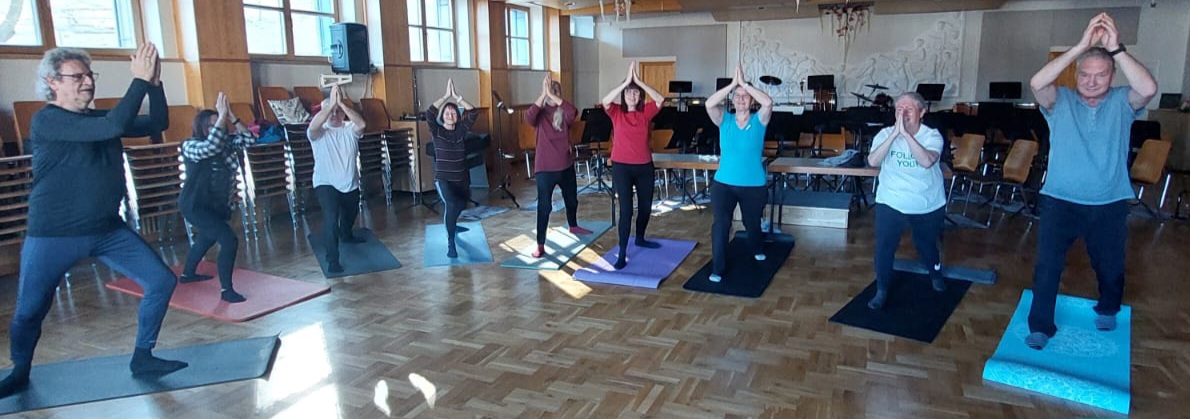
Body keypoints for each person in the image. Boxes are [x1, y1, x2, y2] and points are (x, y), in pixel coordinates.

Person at [0, 45, 187, 399]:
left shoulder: (99, 119)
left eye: (89, 75)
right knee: (29, 310)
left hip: (106, 230)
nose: (88, 82)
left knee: (161, 281)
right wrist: (139, 80)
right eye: (78, 76)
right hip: (53, 235)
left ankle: (143, 357)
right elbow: (113, 126)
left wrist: (154, 84)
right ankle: (19, 371)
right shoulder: (47, 120)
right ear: (53, 82)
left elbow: (157, 123)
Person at [1024, 13, 1156, 350]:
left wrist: (1116, 49)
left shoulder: (1123, 101)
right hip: (1059, 201)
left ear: (1112, 75)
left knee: (1109, 267)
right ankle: (1040, 326)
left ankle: (1108, 307)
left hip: (1108, 203)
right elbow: (1037, 83)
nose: (1092, 81)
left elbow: (1148, 89)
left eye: (1101, 75)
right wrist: (1081, 45)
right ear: (1077, 74)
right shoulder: (1060, 101)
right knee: (1047, 266)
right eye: (1085, 74)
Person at [865, 92, 948, 310]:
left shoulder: (932, 136)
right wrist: (895, 134)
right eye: (899, 109)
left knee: (926, 245)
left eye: (909, 109)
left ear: (922, 112)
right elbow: (873, 161)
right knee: (884, 247)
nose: (903, 113)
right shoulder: (884, 134)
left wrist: (907, 136)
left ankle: (935, 274)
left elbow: (927, 161)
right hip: (890, 201)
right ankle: (882, 289)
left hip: (927, 202)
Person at [178, 92, 257, 303]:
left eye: (218, 124)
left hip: (216, 206)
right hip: (195, 205)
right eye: (212, 126)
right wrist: (221, 117)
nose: (218, 128)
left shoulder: (226, 143)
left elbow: (250, 140)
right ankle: (226, 290)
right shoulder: (191, 145)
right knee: (228, 240)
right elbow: (210, 147)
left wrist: (232, 117)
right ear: (202, 128)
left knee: (206, 238)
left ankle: (187, 275)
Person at [704, 63, 773, 283]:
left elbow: (768, 102)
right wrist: (733, 84)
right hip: (723, 184)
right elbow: (709, 103)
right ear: (732, 100)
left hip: (753, 185)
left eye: (745, 96)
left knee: (751, 224)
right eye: (738, 96)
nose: (741, 99)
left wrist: (744, 84)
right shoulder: (724, 120)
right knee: (721, 224)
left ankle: (757, 246)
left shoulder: (759, 120)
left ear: (752, 100)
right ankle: (718, 267)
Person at [600, 61, 665, 269]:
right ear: (623, 95)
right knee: (626, 210)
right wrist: (626, 82)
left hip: (644, 166)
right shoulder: (616, 112)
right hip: (622, 167)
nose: (632, 95)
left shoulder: (646, 112)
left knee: (645, 207)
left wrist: (639, 82)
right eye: (628, 92)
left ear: (640, 96)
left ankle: (640, 238)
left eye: (635, 92)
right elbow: (605, 100)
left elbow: (660, 99)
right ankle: (622, 252)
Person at [525, 75, 594, 258]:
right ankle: (540, 244)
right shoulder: (540, 113)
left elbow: (573, 111)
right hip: (545, 168)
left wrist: (552, 95)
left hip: (565, 164)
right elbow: (528, 117)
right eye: (549, 90)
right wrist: (544, 94)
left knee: (571, 200)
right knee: (544, 206)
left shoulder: (564, 113)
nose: (552, 94)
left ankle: (573, 225)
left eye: (555, 91)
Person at [308, 85, 367, 274]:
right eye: (330, 111)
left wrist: (341, 103)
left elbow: (362, 125)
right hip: (325, 183)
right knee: (331, 219)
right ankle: (332, 259)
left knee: (350, 213)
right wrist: (331, 104)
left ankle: (346, 235)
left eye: (338, 111)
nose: (334, 114)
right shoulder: (318, 132)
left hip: (349, 183)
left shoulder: (350, 129)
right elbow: (313, 126)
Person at [425, 79, 480, 258]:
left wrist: (457, 97)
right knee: (452, 204)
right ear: (442, 116)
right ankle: (451, 241)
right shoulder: (437, 131)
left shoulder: (461, 130)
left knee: (461, 205)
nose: (450, 115)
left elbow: (473, 112)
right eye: (447, 112)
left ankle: (453, 225)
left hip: (462, 179)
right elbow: (429, 113)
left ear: (457, 115)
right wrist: (445, 97)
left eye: (453, 112)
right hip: (444, 180)